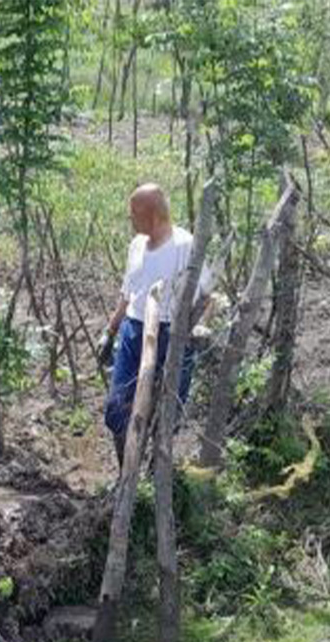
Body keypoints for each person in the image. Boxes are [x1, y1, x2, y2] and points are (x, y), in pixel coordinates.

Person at [98, 183, 212, 466]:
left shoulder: (185, 245)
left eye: (134, 213)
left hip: (172, 334)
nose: (130, 219)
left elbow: (207, 295)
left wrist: (201, 326)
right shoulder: (136, 246)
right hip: (133, 332)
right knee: (117, 409)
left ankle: (153, 477)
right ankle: (127, 475)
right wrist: (109, 332)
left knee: (166, 415)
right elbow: (128, 294)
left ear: (152, 215)